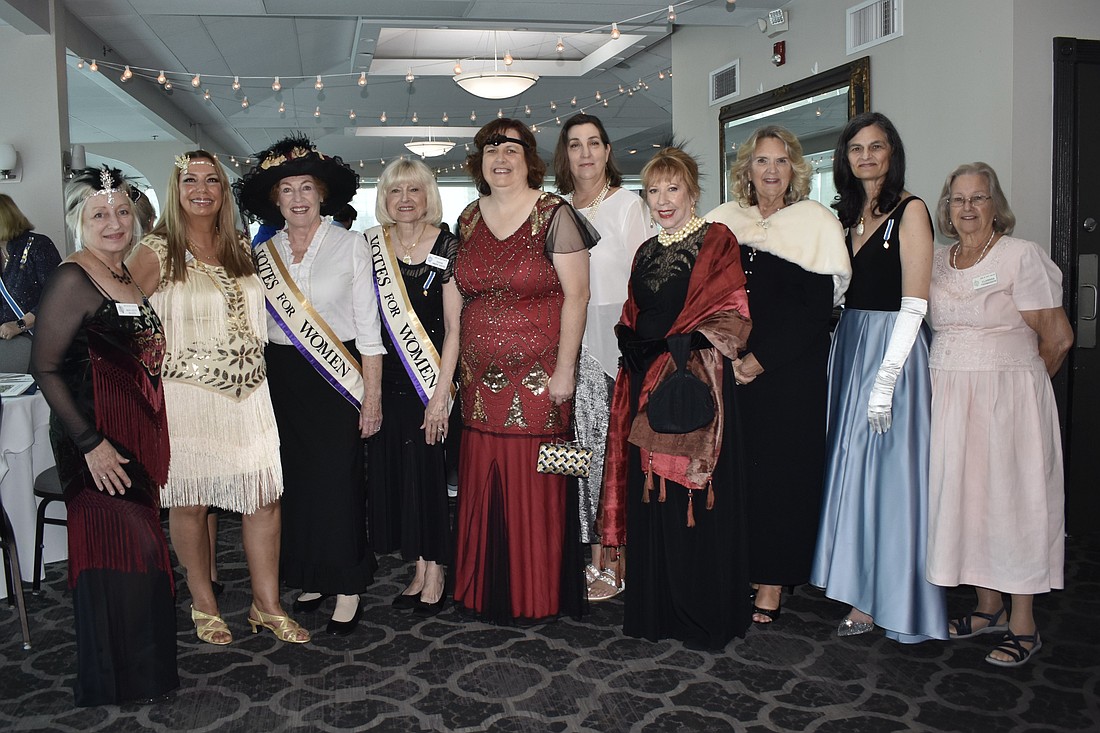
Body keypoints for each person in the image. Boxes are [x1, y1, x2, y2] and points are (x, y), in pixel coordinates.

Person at [128, 150, 307, 644]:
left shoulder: (241, 249)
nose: (201, 189)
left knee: (264, 499)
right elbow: (117, 322)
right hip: (187, 398)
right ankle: (203, 605)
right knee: (191, 502)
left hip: (250, 395)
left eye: (212, 180)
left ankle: (265, 605)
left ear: (224, 192)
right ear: (175, 188)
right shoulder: (155, 250)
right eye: (190, 180)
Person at [31, 167, 177, 705]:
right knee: (120, 551)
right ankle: (113, 677)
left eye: (121, 211)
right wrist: (90, 444)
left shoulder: (129, 274)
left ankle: (144, 670)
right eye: (99, 214)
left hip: (133, 435)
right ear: (78, 222)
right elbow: (43, 367)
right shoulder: (73, 278)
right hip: (93, 441)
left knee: (141, 554)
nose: (114, 223)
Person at [600, 147, 753, 650]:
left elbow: (733, 315)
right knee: (651, 495)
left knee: (692, 492)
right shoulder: (646, 251)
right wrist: (631, 340)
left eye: (673, 190)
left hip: (696, 383)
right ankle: (657, 610)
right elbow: (634, 310)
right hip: (645, 382)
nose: (663, 201)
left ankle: (701, 614)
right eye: (653, 192)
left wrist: (674, 347)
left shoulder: (717, 240)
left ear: (692, 192)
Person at [927, 162, 1073, 667]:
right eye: (957, 199)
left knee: (1012, 503)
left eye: (978, 198)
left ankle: (1023, 624)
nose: (967, 208)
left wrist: (1022, 389)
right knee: (969, 503)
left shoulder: (1020, 256)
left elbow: (1058, 338)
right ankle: (987, 607)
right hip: (947, 398)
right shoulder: (937, 261)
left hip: (1007, 401)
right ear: (947, 207)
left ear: (996, 204)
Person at [235, 136, 382, 636]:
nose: (297, 198)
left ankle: (347, 584)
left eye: (306, 188)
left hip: (337, 378)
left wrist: (373, 398)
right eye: (286, 190)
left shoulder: (351, 245)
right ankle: (312, 574)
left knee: (338, 483)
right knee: (294, 483)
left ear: (322, 195)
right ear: (275, 200)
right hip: (282, 378)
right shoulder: (265, 252)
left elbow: (370, 331)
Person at [809, 112, 948, 643]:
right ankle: (858, 586)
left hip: (894, 352)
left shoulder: (910, 211)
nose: (866, 156)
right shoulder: (848, 215)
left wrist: (886, 381)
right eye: (856, 149)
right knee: (852, 472)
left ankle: (888, 599)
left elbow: (915, 303)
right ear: (845, 158)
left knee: (887, 480)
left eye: (876, 147)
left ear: (893, 152)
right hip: (850, 347)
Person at [452, 119, 596, 624]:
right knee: (482, 479)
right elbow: (458, 296)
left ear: (528, 158)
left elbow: (577, 295)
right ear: (480, 160)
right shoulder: (468, 218)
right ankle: (481, 590)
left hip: (542, 381)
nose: (501, 157)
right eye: (492, 148)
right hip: (477, 384)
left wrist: (566, 370)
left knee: (548, 480)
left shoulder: (555, 213)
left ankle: (544, 593)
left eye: (512, 148)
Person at [706, 125, 851, 625]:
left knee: (784, 478)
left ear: (795, 170)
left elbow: (814, 312)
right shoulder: (725, 221)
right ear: (746, 169)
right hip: (731, 371)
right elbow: (706, 297)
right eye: (761, 161)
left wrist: (760, 361)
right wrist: (728, 355)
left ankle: (772, 582)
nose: (771, 170)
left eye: (781, 161)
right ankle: (744, 566)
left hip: (788, 375)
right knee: (740, 474)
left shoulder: (815, 223)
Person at [553, 113, 655, 601]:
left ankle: (614, 559)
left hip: (614, 341)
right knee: (575, 454)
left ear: (609, 151)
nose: (586, 153)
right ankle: (587, 550)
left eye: (595, 142)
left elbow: (646, 281)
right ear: (565, 154)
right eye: (576, 145)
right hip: (567, 340)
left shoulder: (628, 206)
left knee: (612, 454)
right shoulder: (556, 210)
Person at [365, 159, 460, 616]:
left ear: (428, 196)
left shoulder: (448, 245)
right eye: (395, 191)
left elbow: (455, 328)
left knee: (428, 474)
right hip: (388, 379)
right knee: (402, 476)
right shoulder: (371, 246)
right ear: (384, 199)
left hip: (432, 378)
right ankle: (418, 566)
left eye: (414, 190)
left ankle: (437, 567)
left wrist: (441, 397)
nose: (405, 199)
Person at [0, 194, 62, 371]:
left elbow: (56, 297)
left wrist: (20, 325)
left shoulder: (37, 245)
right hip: (9, 352)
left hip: (44, 344)